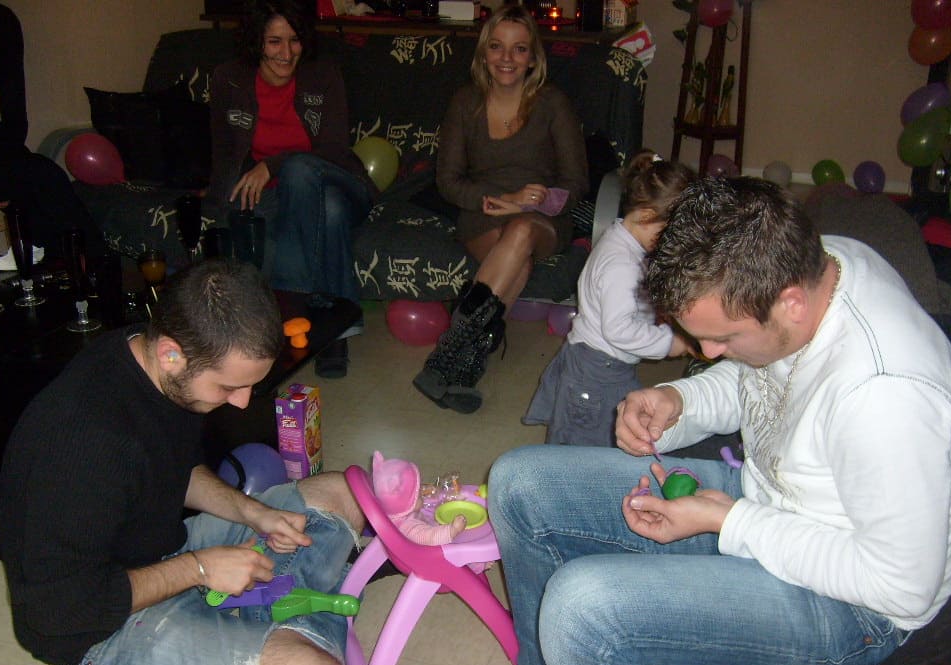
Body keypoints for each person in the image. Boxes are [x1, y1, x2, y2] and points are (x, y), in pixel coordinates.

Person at [465, 177, 951, 665]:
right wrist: (680, 401)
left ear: (791, 303)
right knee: (521, 482)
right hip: (768, 503)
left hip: (855, 608)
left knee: (584, 607)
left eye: (723, 338)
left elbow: (900, 588)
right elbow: (756, 374)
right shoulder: (813, 264)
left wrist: (731, 522)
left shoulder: (885, 396)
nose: (708, 352)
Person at [0, 257, 365, 665]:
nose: (242, 402)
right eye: (228, 387)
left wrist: (253, 514)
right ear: (171, 353)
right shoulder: (83, 448)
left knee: (342, 492)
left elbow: (175, 467)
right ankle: (299, 611)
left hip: (162, 549)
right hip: (99, 630)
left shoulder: (151, 359)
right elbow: (60, 611)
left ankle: (286, 612)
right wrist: (200, 568)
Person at [412, 4, 589, 414]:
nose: (507, 58)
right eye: (497, 46)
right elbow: (448, 180)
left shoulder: (553, 103)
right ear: (484, 53)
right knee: (517, 261)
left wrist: (534, 199)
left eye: (519, 49)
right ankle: (464, 366)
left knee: (522, 231)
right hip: (484, 213)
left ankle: (446, 354)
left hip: (541, 218)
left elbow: (577, 182)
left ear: (533, 58)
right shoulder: (465, 102)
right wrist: (497, 200)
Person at [207, 0, 375, 378]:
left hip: (338, 179)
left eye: (295, 40)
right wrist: (217, 198)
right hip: (284, 194)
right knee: (328, 213)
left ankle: (294, 313)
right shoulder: (229, 79)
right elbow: (223, 149)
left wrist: (272, 165)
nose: (287, 53)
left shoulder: (323, 75)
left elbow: (334, 149)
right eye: (274, 42)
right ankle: (337, 328)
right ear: (256, 42)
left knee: (301, 171)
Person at [522, 151, 695, 446]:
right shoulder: (621, 265)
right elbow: (620, 330)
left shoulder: (619, 239)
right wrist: (669, 343)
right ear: (646, 216)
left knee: (598, 433)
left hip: (593, 358)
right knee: (589, 443)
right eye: (670, 233)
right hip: (600, 369)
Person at [0, 0, 103, 260]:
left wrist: (10, 171)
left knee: (42, 178)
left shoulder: (1, 20)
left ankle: (85, 268)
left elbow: (13, 108)